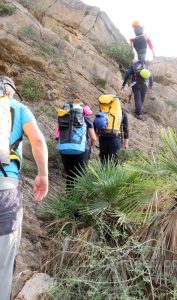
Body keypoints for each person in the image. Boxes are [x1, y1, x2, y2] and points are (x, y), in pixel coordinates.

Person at [0, 75, 49, 300]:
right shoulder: (19, 108)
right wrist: (43, 175)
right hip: (5, 189)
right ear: (10, 90)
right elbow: (37, 141)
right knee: (3, 260)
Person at [57, 100, 96, 188]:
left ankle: (68, 200)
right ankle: (79, 201)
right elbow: (93, 138)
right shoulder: (85, 117)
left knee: (70, 178)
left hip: (65, 149)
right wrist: (90, 145)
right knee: (81, 179)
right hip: (82, 151)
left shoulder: (64, 116)